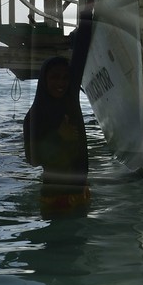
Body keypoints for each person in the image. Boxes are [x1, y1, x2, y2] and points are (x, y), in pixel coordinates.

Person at [22, 56, 89, 212]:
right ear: (44, 80)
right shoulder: (34, 116)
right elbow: (32, 159)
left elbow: (80, 60)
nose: (61, 83)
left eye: (65, 78)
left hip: (82, 194)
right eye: (54, 77)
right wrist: (59, 136)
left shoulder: (70, 106)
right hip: (55, 200)